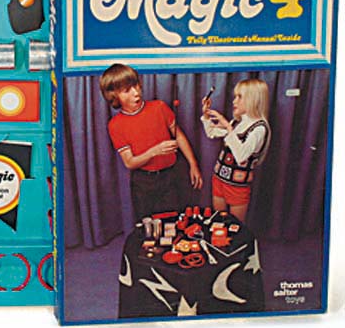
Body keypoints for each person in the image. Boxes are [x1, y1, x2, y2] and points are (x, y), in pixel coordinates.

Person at [99, 63, 203, 221]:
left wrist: (193, 165)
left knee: (174, 223)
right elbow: (130, 163)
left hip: (171, 176)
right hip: (143, 182)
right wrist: (155, 151)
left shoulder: (159, 107)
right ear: (114, 96)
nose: (136, 93)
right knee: (148, 227)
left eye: (136, 86)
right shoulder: (115, 125)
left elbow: (179, 136)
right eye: (127, 90)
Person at [201, 78, 271, 222]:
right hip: (219, 179)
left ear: (253, 99)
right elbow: (211, 132)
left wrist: (227, 126)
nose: (234, 101)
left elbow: (241, 157)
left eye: (240, 97)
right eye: (235, 96)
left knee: (235, 227)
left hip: (237, 186)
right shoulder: (238, 122)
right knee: (218, 222)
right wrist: (206, 115)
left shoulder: (259, 128)